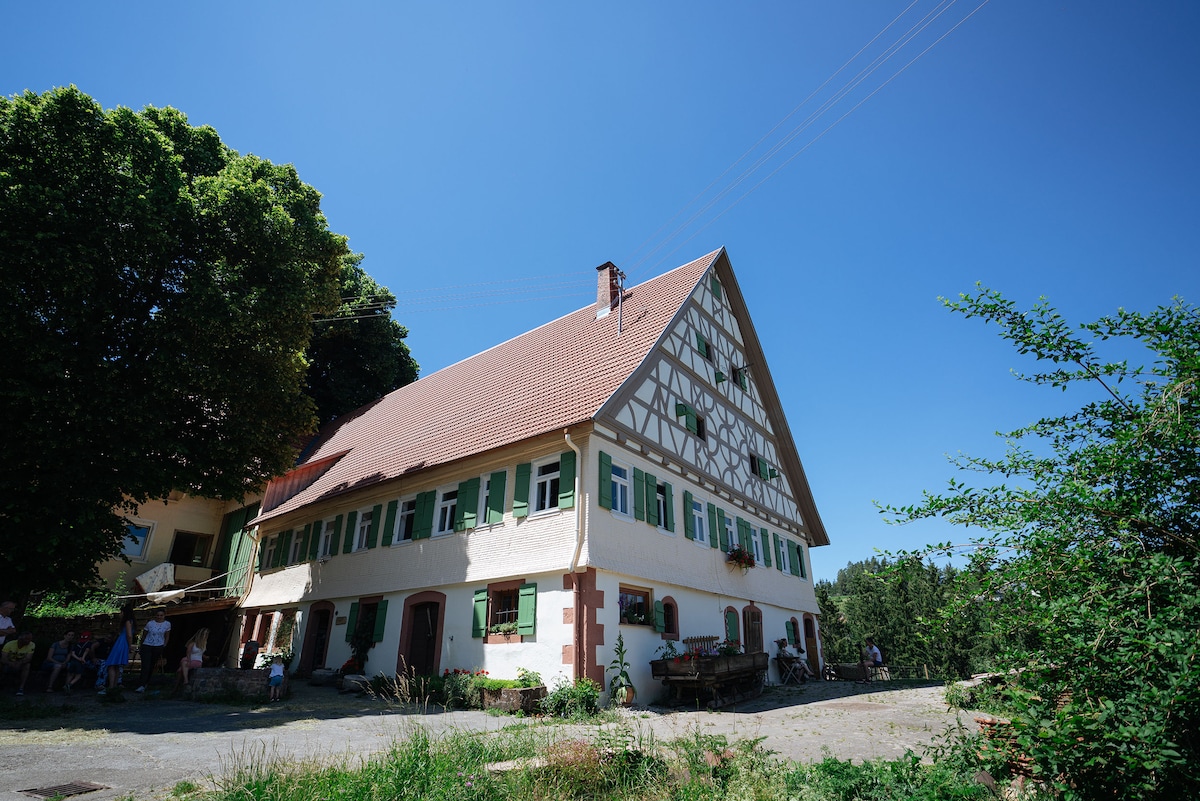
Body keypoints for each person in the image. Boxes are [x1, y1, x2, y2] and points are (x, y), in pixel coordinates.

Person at [99, 603, 136, 695]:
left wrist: (129, 645)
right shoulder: (132, 621)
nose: (120, 614)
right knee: (116, 666)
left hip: (121, 643)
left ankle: (111, 687)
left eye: (121, 612)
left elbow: (129, 635)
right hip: (122, 642)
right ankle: (114, 686)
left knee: (112, 665)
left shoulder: (127, 621)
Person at [134, 609, 171, 693]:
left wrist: (164, 644)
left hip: (158, 646)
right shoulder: (150, 623)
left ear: (164, 616)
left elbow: (167, 635)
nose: (159, 617)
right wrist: (141, 645)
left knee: (152, 665)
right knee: (145, 665)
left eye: (161, 615)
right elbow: (144, 634)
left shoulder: (167, 624)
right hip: (147, 644)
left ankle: (146, 682)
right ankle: (141, 684)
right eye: (158, 615)